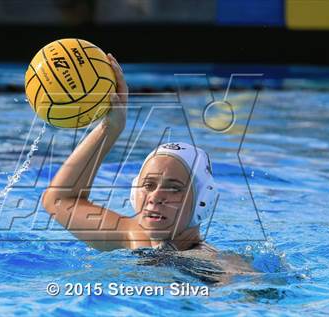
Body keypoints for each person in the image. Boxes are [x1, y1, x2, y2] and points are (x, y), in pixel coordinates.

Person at [42, 53, 218, 253]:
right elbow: (58, 200)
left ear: (203, 200)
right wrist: (110, 128)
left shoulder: (212, 263)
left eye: (174, 188)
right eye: (148, 185)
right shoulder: (133, 236)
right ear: (135, 192)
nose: (155, 196)